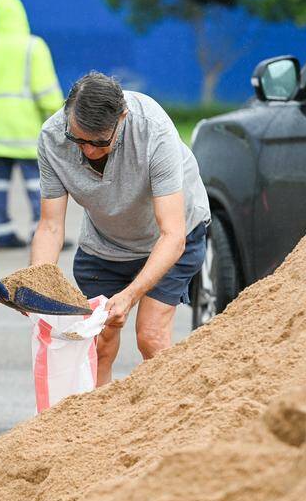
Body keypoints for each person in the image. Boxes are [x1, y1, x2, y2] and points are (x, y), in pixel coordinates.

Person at [30, 72, 210, 385]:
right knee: (98, 342)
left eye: (99, 142)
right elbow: (50, 226)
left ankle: (169, 410)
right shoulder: (53, 137)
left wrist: (128, 296)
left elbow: (172, 235)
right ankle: (98, 414)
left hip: (169, 238)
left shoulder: (154, 130)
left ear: (122, 118)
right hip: (105, 242)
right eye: (78, 140)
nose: (88, 150)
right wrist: (36, 284)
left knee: (151, 337)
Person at [0, 0, 65, 249]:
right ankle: (40, 231)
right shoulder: (33, 47)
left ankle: (2, 233)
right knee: (37, 184)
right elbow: (48, 94)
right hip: (25, 131)